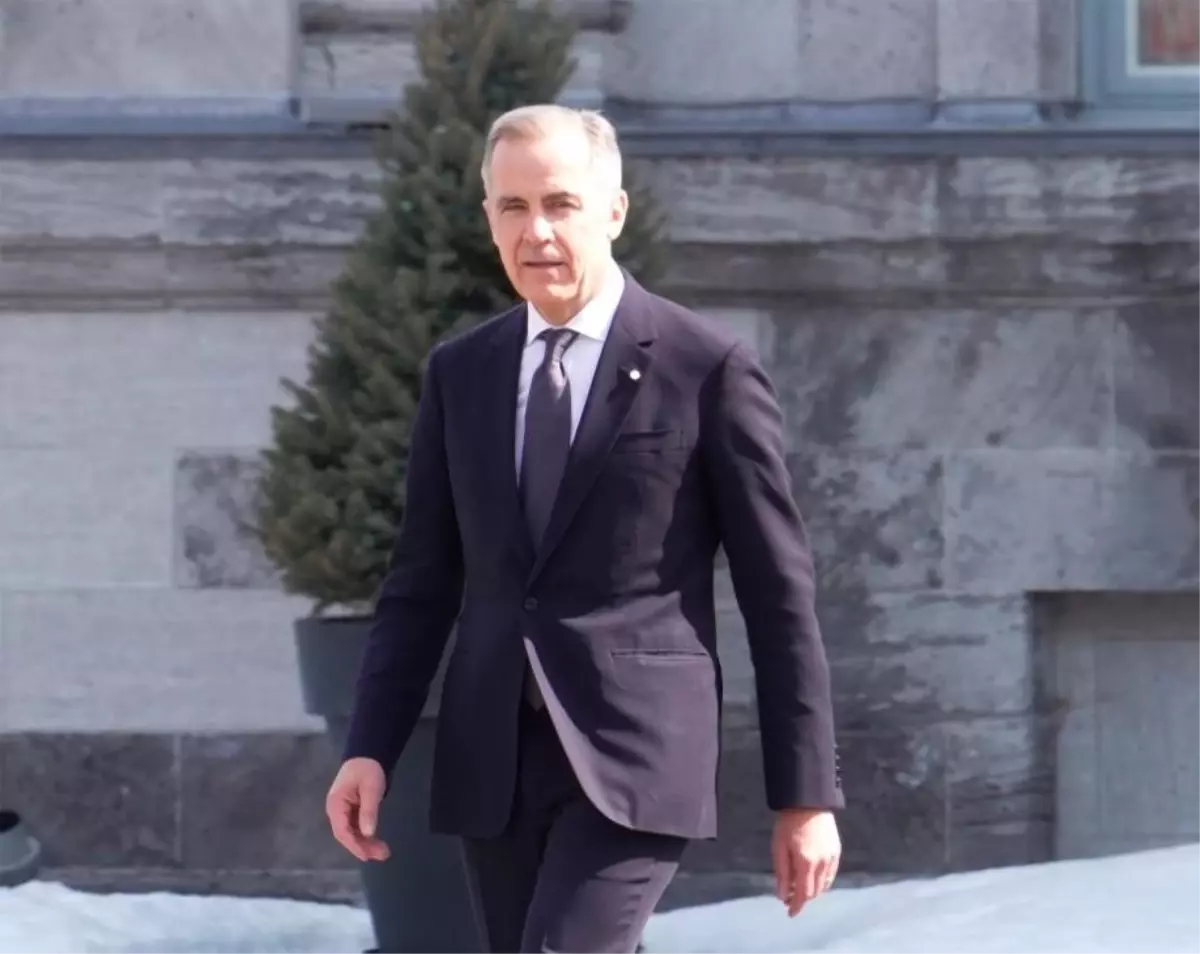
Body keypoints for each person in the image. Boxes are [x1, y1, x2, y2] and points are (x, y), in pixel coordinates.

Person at [325, 103, 844, 954]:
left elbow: (777, 593)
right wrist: (369, 748)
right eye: (513, 207)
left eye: (560, 203)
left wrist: (806, 794)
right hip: (494, 758)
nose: (537, 231)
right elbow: (421, 581)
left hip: (635, 754)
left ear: (613, 212)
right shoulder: (463, 373)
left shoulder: (704, 368)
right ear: (489, 218)